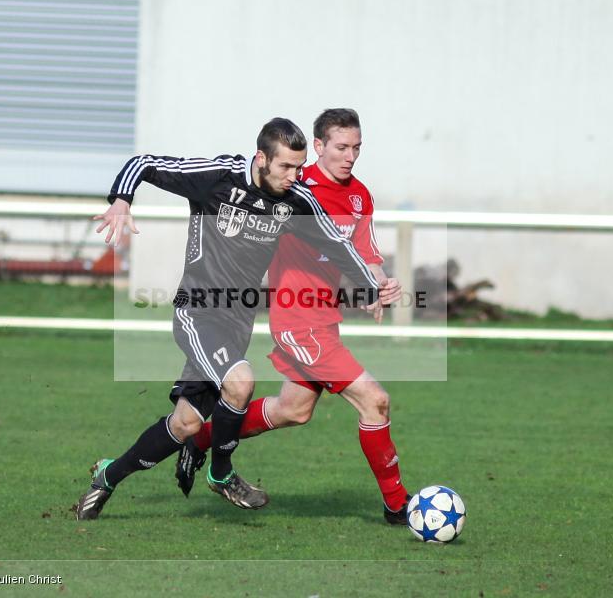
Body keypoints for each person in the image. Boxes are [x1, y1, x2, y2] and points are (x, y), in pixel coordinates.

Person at [76, 117, 398, 520]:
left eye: (299, 168)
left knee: (185, 426)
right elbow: (142, 163)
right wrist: (121, 200)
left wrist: (371, 286)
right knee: (241, 382)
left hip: (236, 322)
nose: (294, 176)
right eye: (285, 167)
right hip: (197, 310)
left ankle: (108, 475)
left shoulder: (296, 199)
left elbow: (337, 244)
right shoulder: (217, 176)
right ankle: (223, 473)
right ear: (261, 158)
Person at [175, 109, 412, 524]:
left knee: (294, 409)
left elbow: (364, 255)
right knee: (376, 402)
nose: (350, 155)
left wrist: (378, 285)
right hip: (296, 318)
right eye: (341, 147)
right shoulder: (292, 187)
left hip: (326, 319)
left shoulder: (360, 197)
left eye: (357, 147)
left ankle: (201, 439)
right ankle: (398, 505)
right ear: (318, 146)